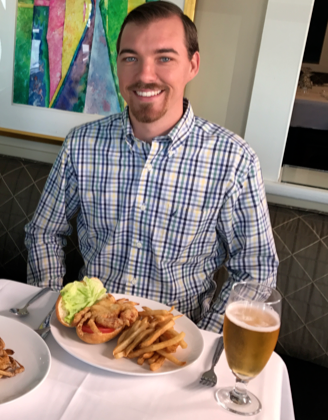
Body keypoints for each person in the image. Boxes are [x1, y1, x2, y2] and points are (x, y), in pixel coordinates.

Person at [25, 1, 278, 333]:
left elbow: (255, 271)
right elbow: (44, 231)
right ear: (117, 65)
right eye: (131, 58)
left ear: (192, 64)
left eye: (164, 58)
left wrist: (208, 341)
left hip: (175, 344)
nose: (145, 75)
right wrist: (54, 310)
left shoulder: (234, 161)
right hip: (90, 337)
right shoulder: (80, 144)